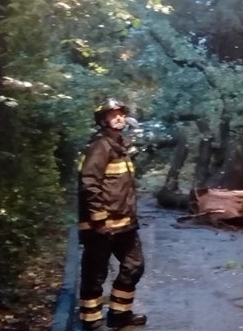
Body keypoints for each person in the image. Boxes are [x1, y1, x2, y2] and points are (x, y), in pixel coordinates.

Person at [77, 98, 147, 331]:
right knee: (95, 272)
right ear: (102, 120)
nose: (119, 117)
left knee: (134, 266)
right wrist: (98, 219)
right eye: (112, 114)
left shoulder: (120, 146)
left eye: (121, 113)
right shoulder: (100, 146)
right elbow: (89, 183)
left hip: (125, 224)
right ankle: (91, 321)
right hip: (101, 226)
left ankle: (119, 315)